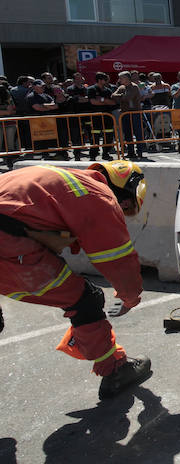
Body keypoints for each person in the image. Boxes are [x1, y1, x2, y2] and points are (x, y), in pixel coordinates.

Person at [0, 160, 152, 400]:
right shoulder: (98, 196)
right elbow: (119, 262)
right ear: (123, 193)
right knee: (85, 300)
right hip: (9, 247)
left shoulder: (61, 180)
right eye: (126, 205)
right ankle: (114, 370)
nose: (122, 208)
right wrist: (130, 298)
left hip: (10, 239)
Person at [112, 72, 144, 159]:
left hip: (135, 113)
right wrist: (121, 96)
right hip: (125, 113)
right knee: (127, 133)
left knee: (138, 132)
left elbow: (128, 97)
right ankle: (131, 152)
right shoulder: (121, 87)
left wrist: (120, 97)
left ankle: (140, 151)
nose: (119, 80)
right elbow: (113, 95)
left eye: (121, 78)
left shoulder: (134, 87)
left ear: (126, 78)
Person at [87, 72, 118, 161]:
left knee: (108, 136)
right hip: (95, 117)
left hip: (107, 117)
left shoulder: (108, 90)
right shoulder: (91, 89)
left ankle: (106, 153)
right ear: (100, 80)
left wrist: (102, 99)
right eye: (105, 79)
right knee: (95, 137)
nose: (106, 81)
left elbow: (113, 102)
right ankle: (93, 155)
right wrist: (105, 101)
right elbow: (93, 102)